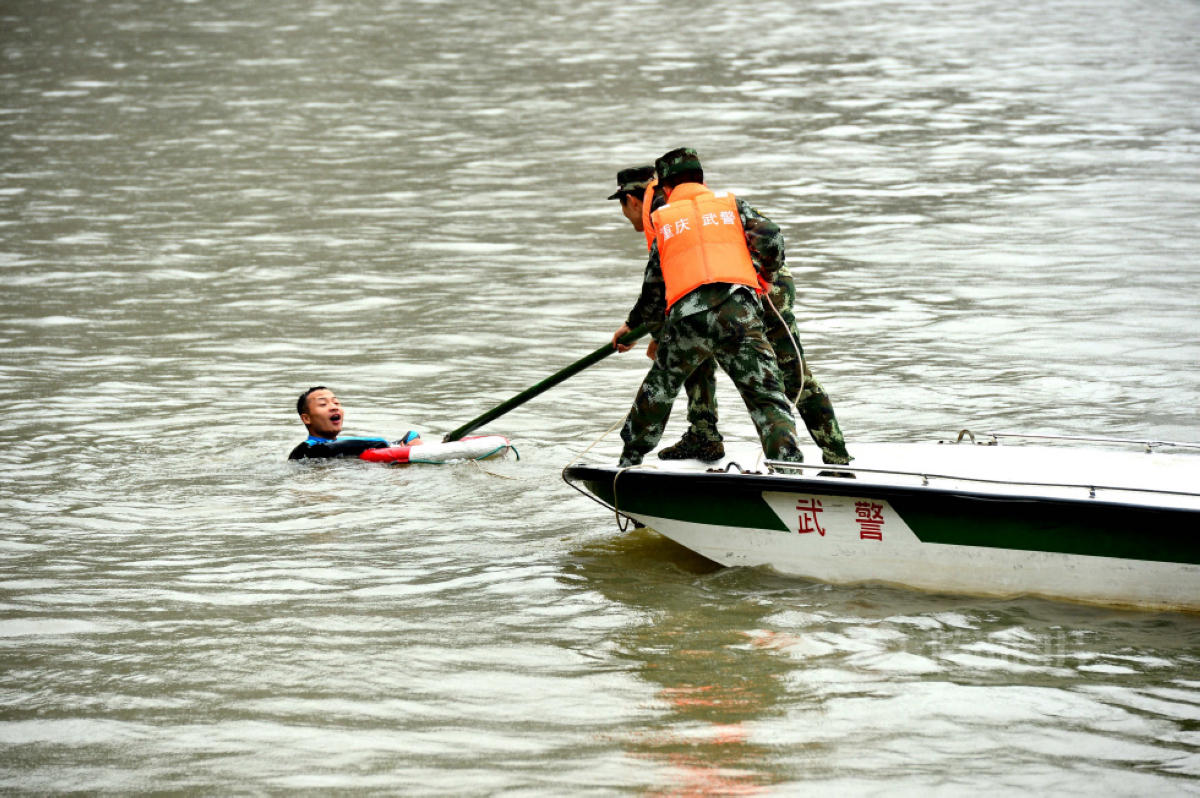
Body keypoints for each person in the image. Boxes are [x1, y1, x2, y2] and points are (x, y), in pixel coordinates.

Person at [609, 158, 852, 465]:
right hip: (746, 295)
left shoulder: (666, 214)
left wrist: (656, 331)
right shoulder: (728, 203)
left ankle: (631, 460)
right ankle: (795, 460)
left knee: (784, 377)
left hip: (752, 295)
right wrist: (767, 274)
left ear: (637, 197)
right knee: (768, 389)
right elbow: (771, 236)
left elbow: (655, 287)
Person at [288, 386, 422, 460]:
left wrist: (410, 439)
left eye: (336, 403)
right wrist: (382, 443)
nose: (334, 407)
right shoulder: (304, 451)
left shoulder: (348, 443)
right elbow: (328, 450)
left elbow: (408, 437)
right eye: (323, 404)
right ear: (306, 418)